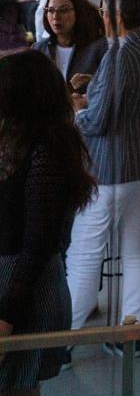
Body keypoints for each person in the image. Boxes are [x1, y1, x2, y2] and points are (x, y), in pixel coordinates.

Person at [67, 0, 140, 352]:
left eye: (103, 10)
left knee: (83, 252)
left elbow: (100, 120)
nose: (101, 16)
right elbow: (130, 93)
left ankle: (64, 342)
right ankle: (131, 334)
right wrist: (95, 84)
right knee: (137, 245)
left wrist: (78, 109)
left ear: (115, 14)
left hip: (111, 168)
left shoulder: (116, 53)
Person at [0, 51, 96, 390]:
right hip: (19, 285)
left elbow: (38, 244)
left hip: (22, 290)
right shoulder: (20, 141)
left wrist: (7, 316)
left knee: (17, 385)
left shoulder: (46, 151)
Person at [37, 0, 108, 88]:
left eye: (64, 10)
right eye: (51, 10)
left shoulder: (99, 47)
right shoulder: (39, 49)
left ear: (79, 12)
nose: (56, 16)